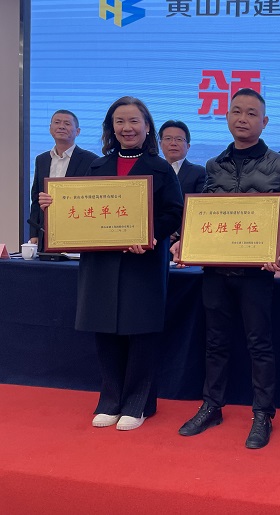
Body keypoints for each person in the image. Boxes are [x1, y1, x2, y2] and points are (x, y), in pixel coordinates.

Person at [174, 88, 280, 449]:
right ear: (227, 117)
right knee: (215, 342)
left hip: (256, 273)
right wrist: (183, 239)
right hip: (216, 270)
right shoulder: (213, 165)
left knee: (259, 344)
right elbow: (202, 215)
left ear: (264, 122)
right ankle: (211, 405)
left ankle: (262, 413)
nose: (243, 118)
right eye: (237, 111)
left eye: (251, 113)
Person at [40, 97, 183, 431]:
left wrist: (150, 235)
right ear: (110, 127)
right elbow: (75, 207)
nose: (127, 128)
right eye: (119, 121)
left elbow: (174, 212)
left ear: (147, 126)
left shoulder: (160, 168)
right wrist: (51, 205)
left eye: (134, 121)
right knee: (104, 328)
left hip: (142, 261)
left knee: (141, 331)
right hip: (101, 262)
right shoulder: (95, 166)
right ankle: (110, 399)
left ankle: (138, 403)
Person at [29, 110, 98, 251]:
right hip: (46, 233)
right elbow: (36, 198)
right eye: (57, 122)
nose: (61, 126)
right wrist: (34, 234)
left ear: (77, 131)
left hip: (78, 231)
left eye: (67, 123)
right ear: (50, 128)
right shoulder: (41, 159)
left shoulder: (91, 160)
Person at [159, 120, 206, 241]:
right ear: (160, 144)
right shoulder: (152, 172)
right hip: (156, 239)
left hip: (184, 239)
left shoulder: (199, 172)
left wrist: (176, 232)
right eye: (168, 138)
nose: (173, 143)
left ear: (188, 146)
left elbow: (199, 209)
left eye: (179, 139)